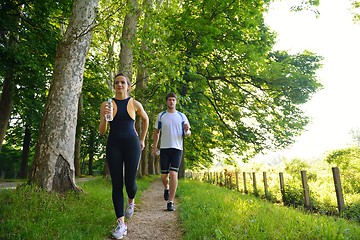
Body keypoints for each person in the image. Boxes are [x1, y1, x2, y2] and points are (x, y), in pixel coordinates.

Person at [99, 73, 149, 239]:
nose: (119, 85)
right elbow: (102, 131)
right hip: (114, 145)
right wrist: (106, 118)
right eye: (116, 83)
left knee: (130, 182)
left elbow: (146, 119)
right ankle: (121, 224)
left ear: (128, 86)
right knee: (116, 184)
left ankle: (131, 200)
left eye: (122, 82)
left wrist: (142, 139)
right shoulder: (106, 104)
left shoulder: (134, 103)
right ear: (114, 86)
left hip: (132, 145)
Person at [153, 92, 191, 211]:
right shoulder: (161, 116)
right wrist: (155, 146)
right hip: (164, 149)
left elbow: (188, 133)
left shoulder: (182, 116)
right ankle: (166, 188)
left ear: (176, 102)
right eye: (169, 100)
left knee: (173, 174)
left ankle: (171, 202)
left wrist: (187, 131)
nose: (171, 102)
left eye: (173, 100)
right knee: (164, 176)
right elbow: (156, 132)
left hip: (177, 149)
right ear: (166, 102)